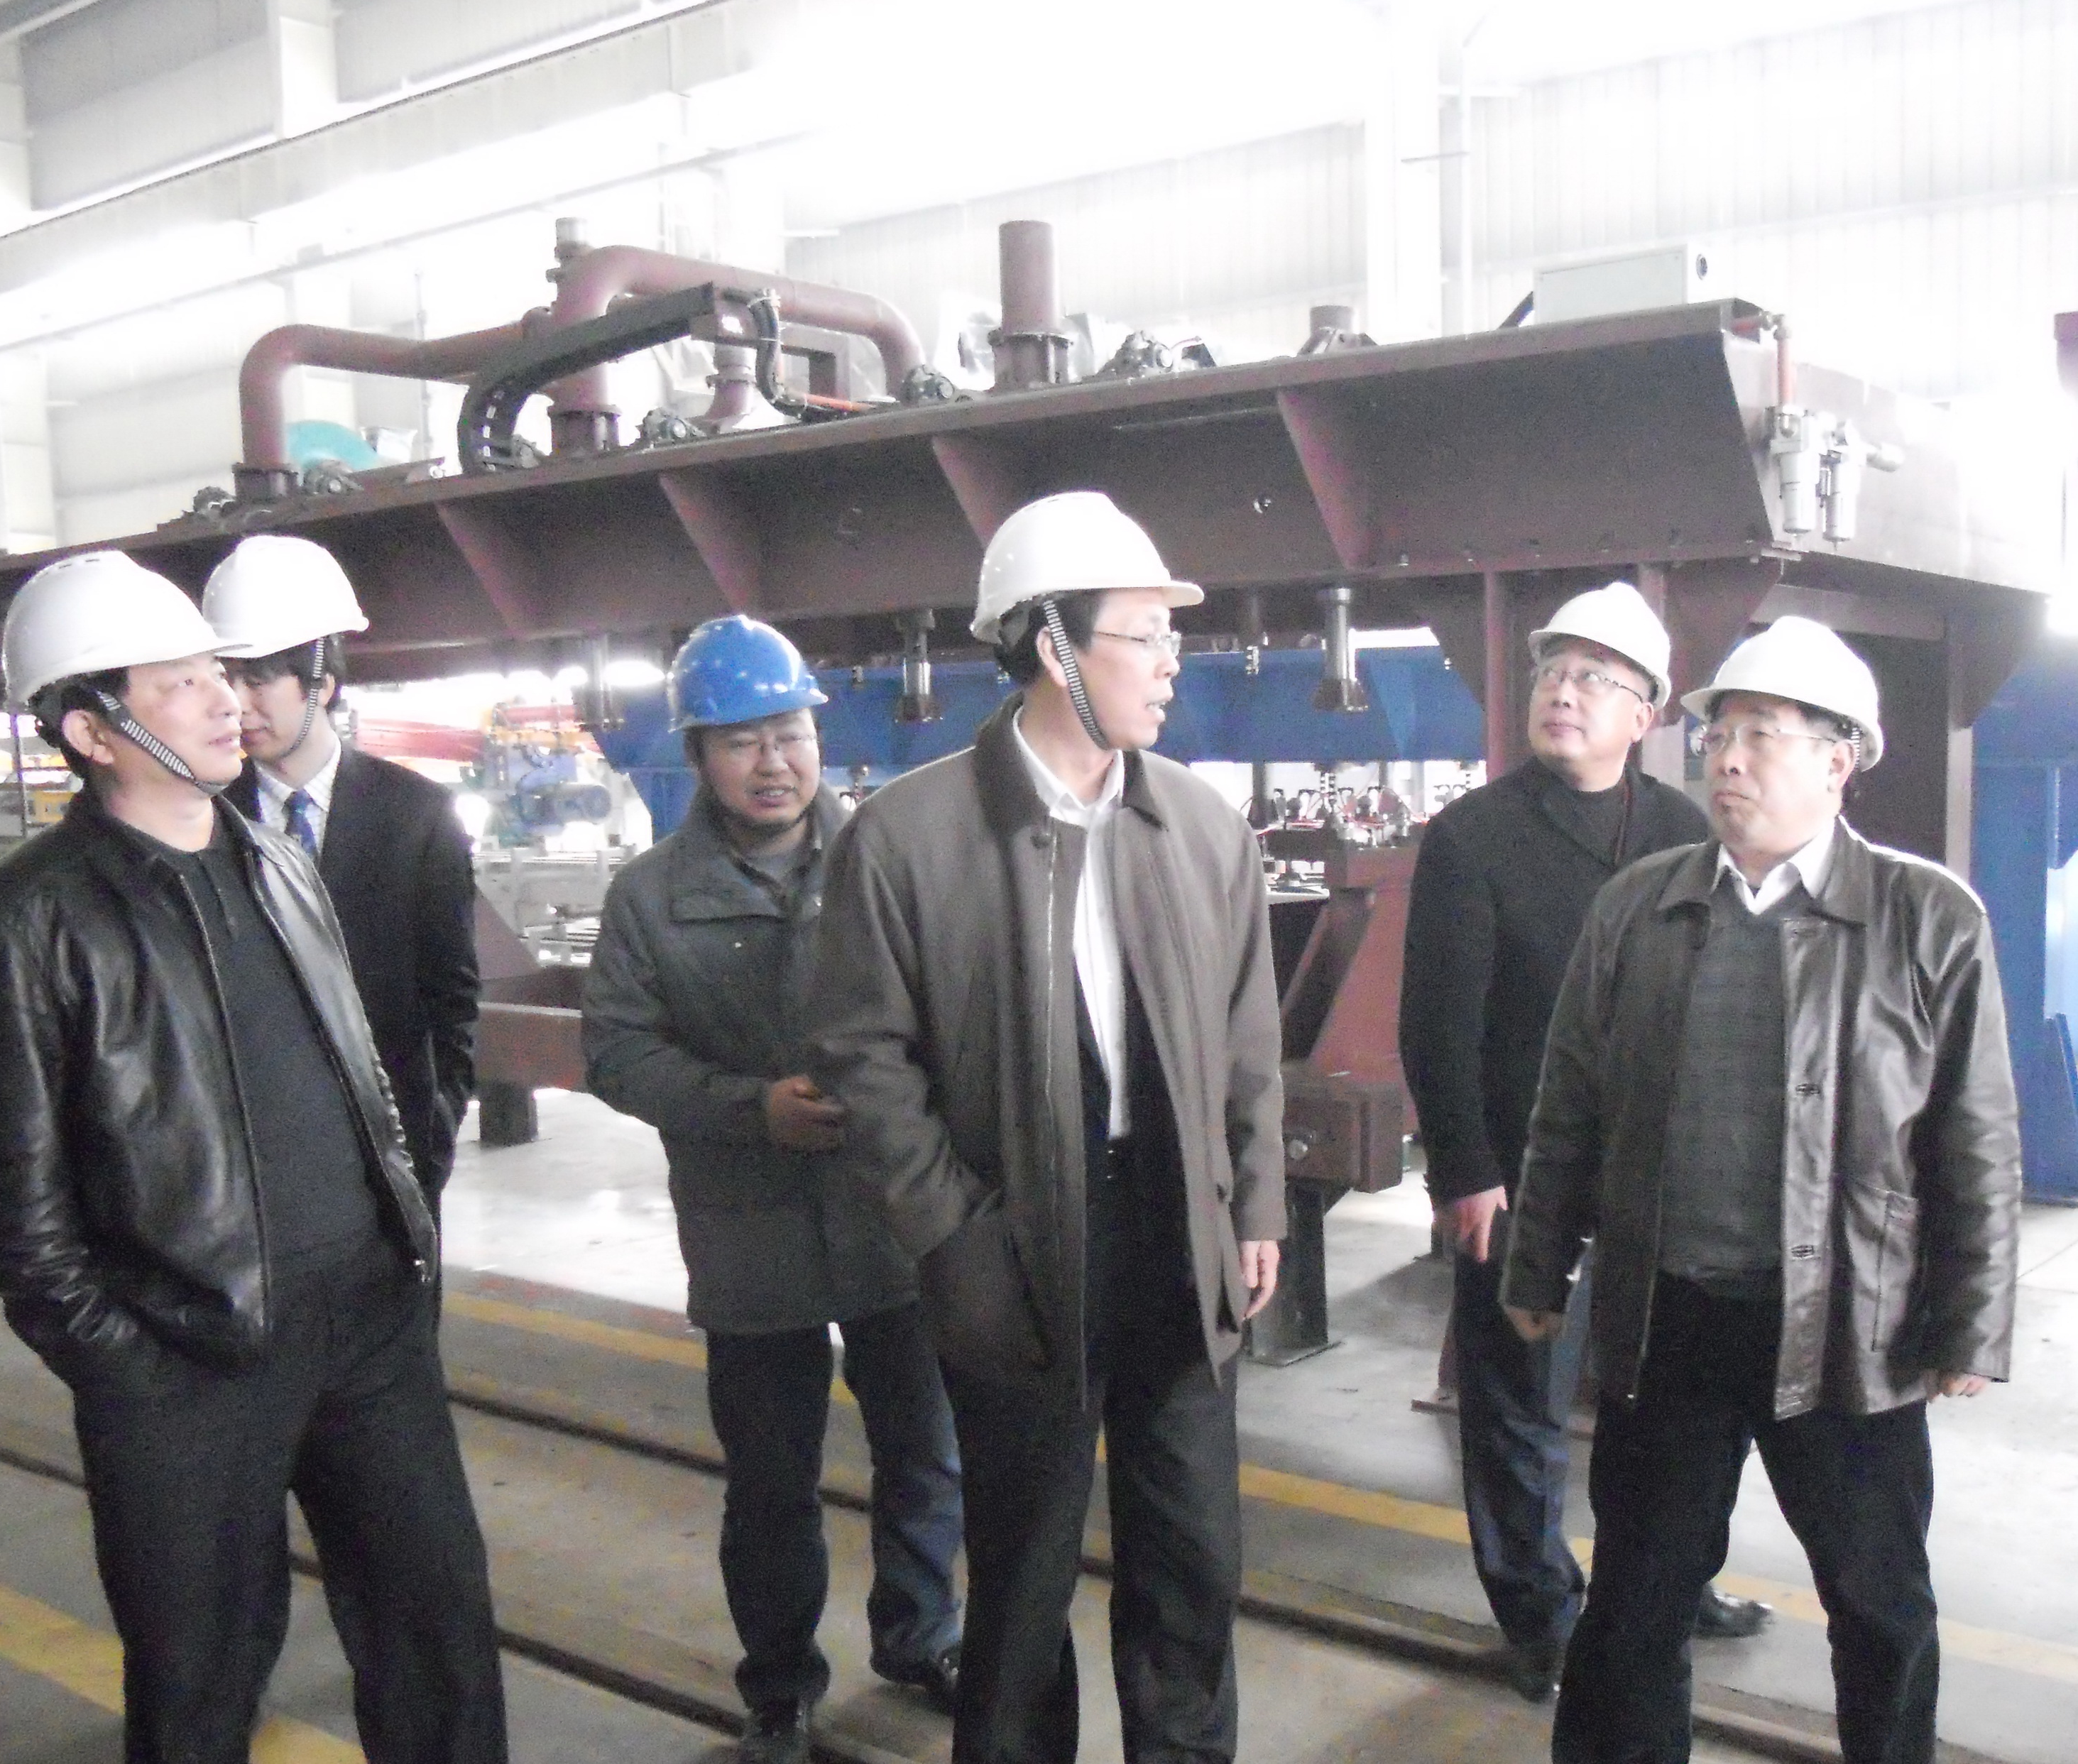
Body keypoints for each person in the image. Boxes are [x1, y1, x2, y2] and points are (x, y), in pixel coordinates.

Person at [0, 552, 506, 1763]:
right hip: (187, 1357)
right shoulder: (22, 924)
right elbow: (18, 1211)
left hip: (369, 1327)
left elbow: (366, 1068)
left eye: (218, 672)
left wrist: (402, 1237)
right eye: (179, 683)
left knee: (439, 1641)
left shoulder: (279, 862)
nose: (224, 700)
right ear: (90, 730)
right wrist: (132, 1372)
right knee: (199, 1683)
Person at [806, 490, 1286, 1764]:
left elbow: (1248, 1042)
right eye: (1142, 634)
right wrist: (952, 1236)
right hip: (1013, 1247)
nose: (1170, 663)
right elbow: (864, 1058)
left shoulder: (1202, 829)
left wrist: (1253, 1204)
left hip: (1175, 1238)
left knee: (1191, 1558)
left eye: (1172, 636)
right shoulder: (904, 841)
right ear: (1050, 645)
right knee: (1021, 1574)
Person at [1504, 615, 2021, 1764]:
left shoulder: (1925, 916)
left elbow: (1974, 1137)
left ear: (1838, 759)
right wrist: (1537, 1264)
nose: (1726, 760)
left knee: (1878, 1606)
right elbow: (1568, 1104)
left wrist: (1971, 1319)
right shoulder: (1636, 908)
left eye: (1760, 736)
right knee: (1634, 1603)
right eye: (1717, 735)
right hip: (1669, 1317)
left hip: (1850, 1327)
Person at [582, 615, 963, 1764]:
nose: (773, 762)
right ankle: (780, 1689)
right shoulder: (649, 898)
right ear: (698, 753)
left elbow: (956, 1015)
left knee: (924, 1453)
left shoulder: (886, 861)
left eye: (789, 733)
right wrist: (751, 1107)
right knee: (769, 1485)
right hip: (748, 1238)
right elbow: (616, 1052)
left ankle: (920, 1635)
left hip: (891, 1220)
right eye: (742, 740)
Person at [1397, 582, 1767, 1701]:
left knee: (1667, 1404)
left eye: (1595, 678)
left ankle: (1667, 1581)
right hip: (1522, 1182)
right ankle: (1540, 1614)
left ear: (1645, 714)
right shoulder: (1473, 837)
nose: (1563, 691)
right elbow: (1436, 1026)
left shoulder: (1683, 834)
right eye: (1553, 671)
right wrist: (1465, 1173)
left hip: (1661, 1185)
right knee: (1520, 1402)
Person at [204, 534, 479, 1213]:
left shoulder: (418, 815)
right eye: (223, 677)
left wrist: (434, 1131)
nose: (236, 703)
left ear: (321, 683)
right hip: (254, 1160)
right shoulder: (204, 819)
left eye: (257, 679)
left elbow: (450, 996)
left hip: (394, 1150)